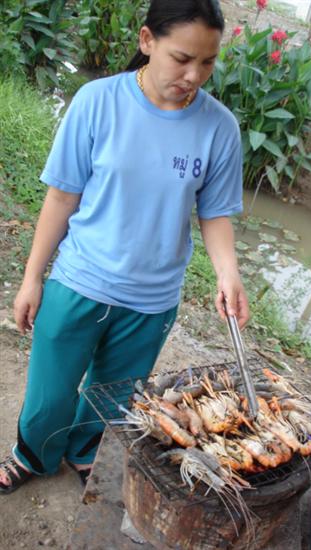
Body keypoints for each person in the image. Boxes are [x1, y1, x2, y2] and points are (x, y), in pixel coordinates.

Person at [0, 0, 249, 494]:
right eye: (182, 58)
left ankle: (85, 451)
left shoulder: (219, 128)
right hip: (79, 281)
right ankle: (33, 455)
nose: (194, 75)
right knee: (49, 393)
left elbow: (214, 212)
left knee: (111, 397)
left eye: (207, 62)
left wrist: (228, 272)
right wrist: (32, 277)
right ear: (147, 41)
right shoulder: (97, 102)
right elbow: (62, 196)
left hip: (152, 299)